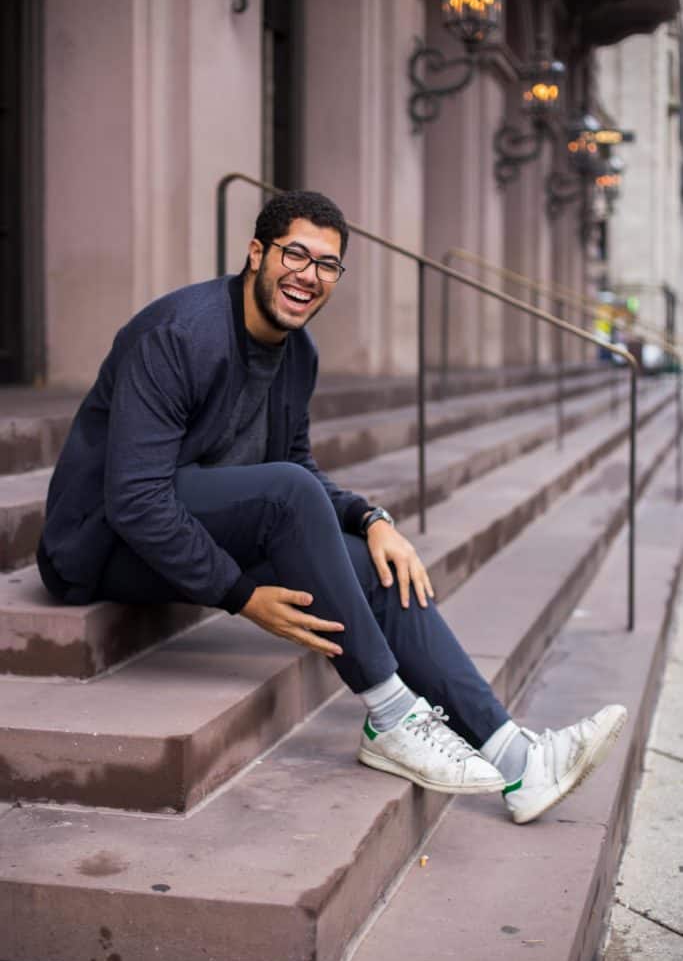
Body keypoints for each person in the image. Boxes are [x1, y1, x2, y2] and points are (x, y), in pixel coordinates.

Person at [37, 190, 626, 824]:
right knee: (288, 492)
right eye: (295, 254)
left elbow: (300, 468)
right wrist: (238, 594)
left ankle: (518, 762)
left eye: (327, 265)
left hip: (195, 519)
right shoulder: (180, 336)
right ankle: (393, 715)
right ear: (256, 253)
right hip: (102, 544)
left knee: (375, 567)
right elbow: (135, 499)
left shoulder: (298, 355)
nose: (309, 276)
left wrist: (371, 521)